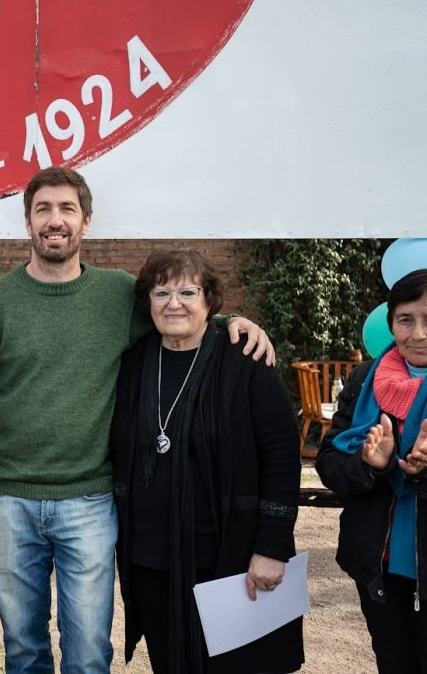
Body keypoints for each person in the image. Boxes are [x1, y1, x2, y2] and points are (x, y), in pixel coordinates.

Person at [0, 167, 274, 673]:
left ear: (86, 221)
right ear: (27, 222)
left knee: (89, 652)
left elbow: (174, 316)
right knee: (22, 647)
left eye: (67, 209)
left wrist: (228, 320)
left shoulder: (115, 294)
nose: (55, 220)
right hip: (8, 497)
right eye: (43, 209)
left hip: (89, 499)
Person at [110, 247, 303, 673]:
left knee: (235, 666)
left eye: (187, 292)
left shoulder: (245, 361)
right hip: (150, 559)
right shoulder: (133, 363)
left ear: (210, 301)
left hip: (228, 557)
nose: (173, 303)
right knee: (169, 662)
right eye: (161, 293)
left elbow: (282, 457)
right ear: (147, 304)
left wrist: (271, 547)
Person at [316, 268, 427, 673]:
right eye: (406, 320)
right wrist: (369, 465)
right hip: (378, 566)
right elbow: (329, 463)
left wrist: (422, 473)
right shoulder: (365, 380)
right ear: (391, 323)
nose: (418, 334)